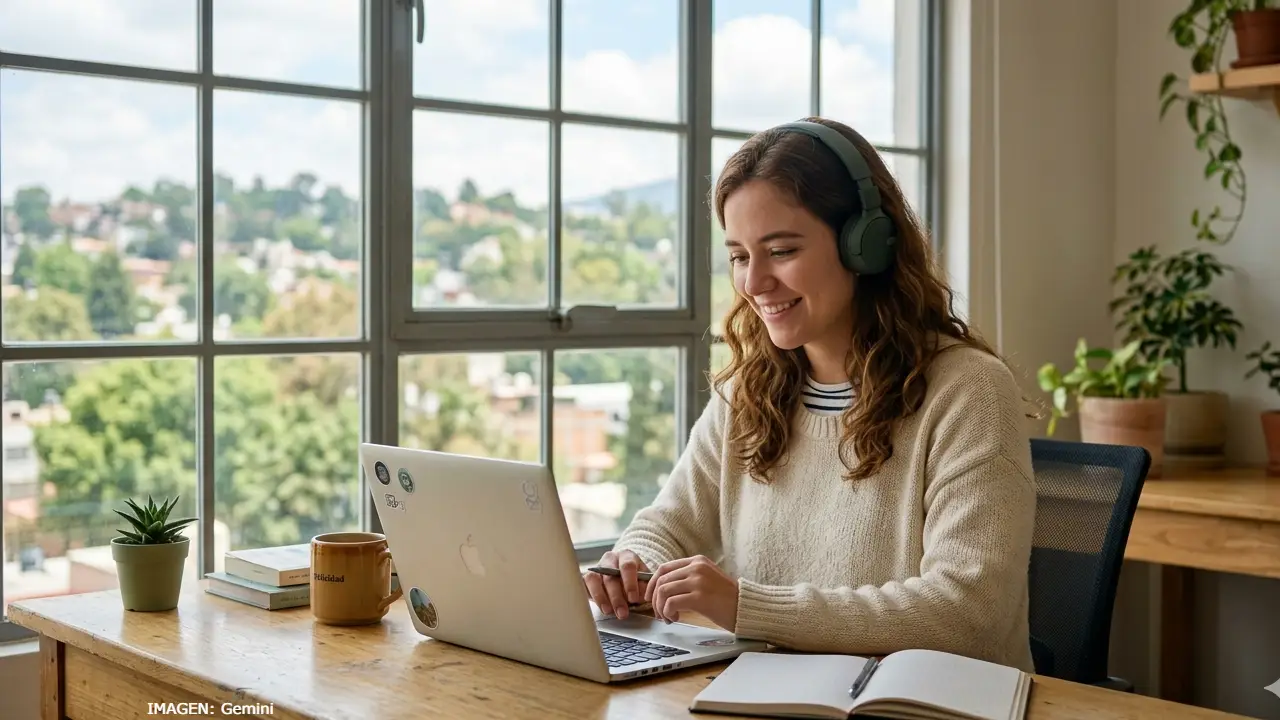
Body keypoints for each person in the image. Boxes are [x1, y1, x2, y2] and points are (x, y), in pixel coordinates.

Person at [581, 116, 1038, 673]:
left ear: (865, 245)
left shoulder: (968, 392)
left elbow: (969, 612)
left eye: (780, 250)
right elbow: (669, 523)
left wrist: (747, 607)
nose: (753, 283)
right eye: (740, 256)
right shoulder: (749, 391)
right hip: (769, 694)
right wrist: (635, 564)